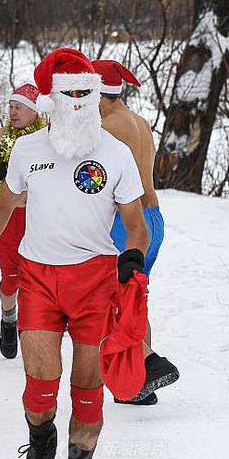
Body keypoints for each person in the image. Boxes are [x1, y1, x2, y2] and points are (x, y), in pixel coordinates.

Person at [0, 47, 148, 459]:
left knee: (86, 389)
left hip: (95, 281)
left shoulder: (115, 153)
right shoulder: (27, 149)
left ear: (97, 95)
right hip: (37, 278)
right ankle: (41, 445)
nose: (78, 100)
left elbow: (135, 222)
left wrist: (133, 255)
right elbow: (3, 205)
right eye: (69, 92)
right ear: (51, 99)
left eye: (86, 92)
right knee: (40, 388)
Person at [93, 59, 180, 406]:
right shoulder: (141, 123)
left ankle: (148, 362)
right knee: (135, 300)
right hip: (153, 218)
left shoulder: (109, 127)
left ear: (100, 94)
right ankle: (138, 387)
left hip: (125, 225)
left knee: (111, 301)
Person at [0, 84, 48, 359]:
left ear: (34, 111)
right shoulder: (0, 135)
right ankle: (8, 317)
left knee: (36, 273)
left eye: (19, 107)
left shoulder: (46, 137)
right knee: (11, 275)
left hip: (38, 215)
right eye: (11, 107)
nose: (13, 112)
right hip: (5, 216)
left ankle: (32, 325)